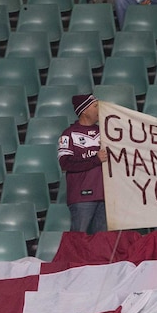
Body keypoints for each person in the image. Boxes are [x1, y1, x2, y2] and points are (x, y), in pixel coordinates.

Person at [58, 94, 108, 234]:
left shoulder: (105, 132)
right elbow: (65, 163)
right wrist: (95, 159)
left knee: (100, 241)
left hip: (105, 196)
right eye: (95, 106)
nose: (99, 109)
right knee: (79, 239)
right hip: (82, 197)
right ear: (85, 110)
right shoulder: (69, 134)